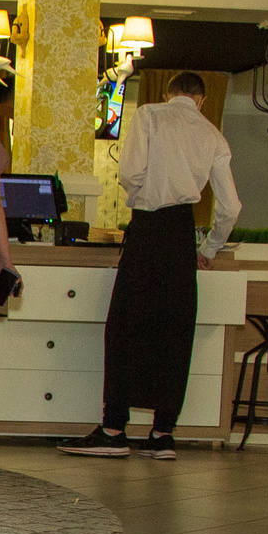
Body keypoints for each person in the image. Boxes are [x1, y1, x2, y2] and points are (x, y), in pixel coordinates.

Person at [62, 69, 240, 461]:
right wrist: (208, 249)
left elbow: (129, 172)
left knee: (127, 327)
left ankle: (114, 429)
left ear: (169, 92)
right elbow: (231, 207)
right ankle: (163, 434)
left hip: (148, 228)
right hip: (182, 233)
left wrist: (141, 196)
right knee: (175, 331)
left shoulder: (148, 115)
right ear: (202, 100)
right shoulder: (213, 134)